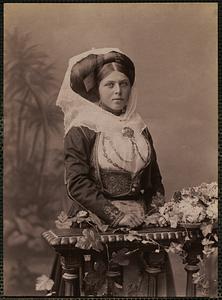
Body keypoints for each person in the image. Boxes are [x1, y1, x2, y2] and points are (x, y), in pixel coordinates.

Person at [54, 48, 175, 296]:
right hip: (98, 223)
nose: (118, 91)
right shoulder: (82, 128)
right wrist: (115, 216)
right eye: (109, 85)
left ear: (131, 87)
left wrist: (154, 215)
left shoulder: (139, 127)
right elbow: (76, 183)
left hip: (142, 227)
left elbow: (155, 181)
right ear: (97, 89)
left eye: (124, 84)